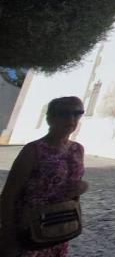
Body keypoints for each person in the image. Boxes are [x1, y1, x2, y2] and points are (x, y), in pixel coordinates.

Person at [0, 97, 88, 257]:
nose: (71, 119)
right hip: (30, 228)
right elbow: (9, 194)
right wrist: (7, 235)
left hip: (60, 226)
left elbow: (73, 185)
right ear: (50, 118)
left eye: (77, 113)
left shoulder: (77, 150)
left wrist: (83, 186)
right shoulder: (33, 150)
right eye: (64, 114)